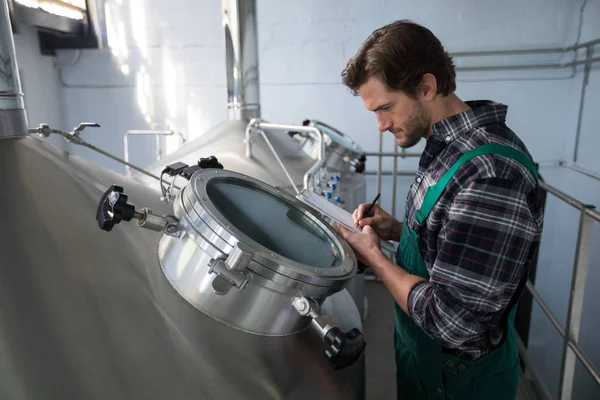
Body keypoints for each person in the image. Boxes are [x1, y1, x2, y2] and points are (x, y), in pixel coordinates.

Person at [336, 20, 544, 399]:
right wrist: (397, 230)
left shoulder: (490, 177)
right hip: (425, 364)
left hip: (459, 383)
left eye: (386, 108)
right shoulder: (448, 146)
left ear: (426, 87)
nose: (381, 125)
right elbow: (455, 241)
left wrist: (376, 258)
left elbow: (452, 321)